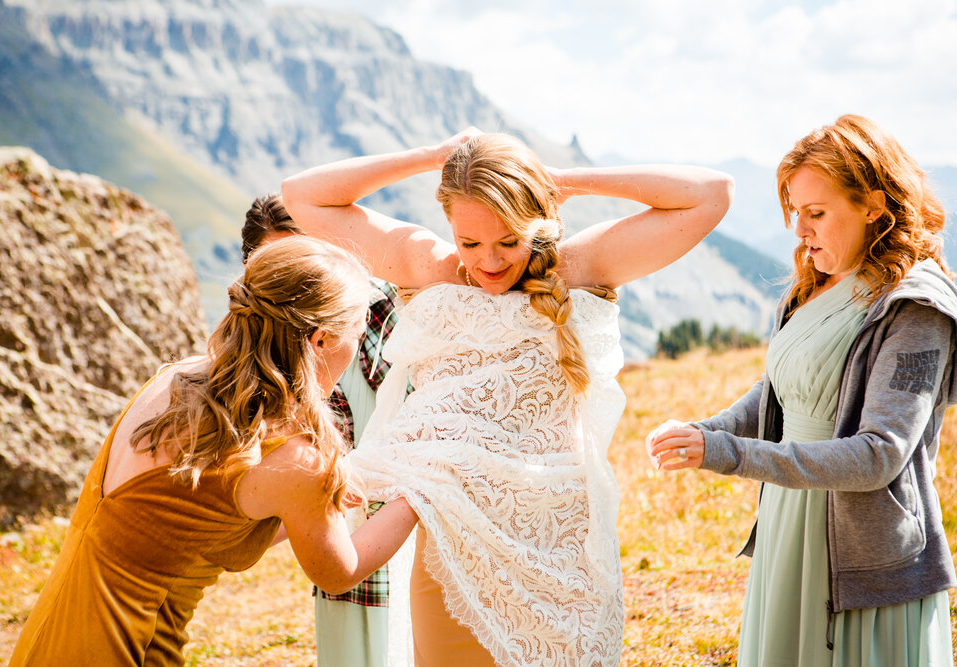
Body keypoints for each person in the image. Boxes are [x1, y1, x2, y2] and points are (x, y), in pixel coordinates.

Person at [281, 129, 734, 666]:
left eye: (508, 241)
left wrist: (563, 181)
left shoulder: (579, 267)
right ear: (450, 225)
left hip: (561, 552)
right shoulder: (426, 268)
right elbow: (302, 195)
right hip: (454, 550)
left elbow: (712, 194)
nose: (489, 263)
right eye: (469, 243)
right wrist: (432, 154)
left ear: (536, 224)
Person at [9, 235, 418, 666]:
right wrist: (420, 489)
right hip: (127, 651)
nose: (357, 348)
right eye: (356, 333)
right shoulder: (292, 462)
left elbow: (208, 523)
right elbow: (340, 571)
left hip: (48, 640)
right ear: (320, 340)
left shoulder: (181, 381)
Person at [646, 114, 956, 666]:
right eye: (794, 211)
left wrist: (729, 453)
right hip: (791, 521)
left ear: (874, 205)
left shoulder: (915, 310)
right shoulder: (820, 283)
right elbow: (783, 390)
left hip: (861, 554)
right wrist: (705, 431)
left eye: (816, 213)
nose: (799, 230)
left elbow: (880, 455)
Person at [242, 193, 400, 667]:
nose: (299, 295)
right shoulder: (257, 356)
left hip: (408, 522)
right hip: (337, 538)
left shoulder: (380, 314)